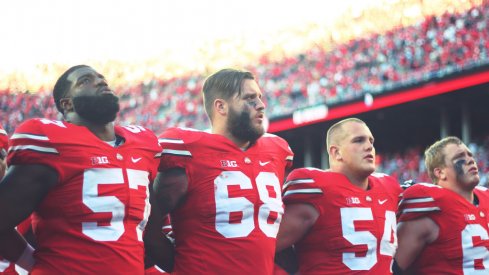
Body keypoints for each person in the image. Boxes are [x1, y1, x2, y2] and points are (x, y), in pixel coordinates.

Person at [0, 65, 170, 274]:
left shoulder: (143, 144)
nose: (100, 81)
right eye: (85, 81)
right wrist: (31, 262)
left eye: (102, 78)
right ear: (67, 104)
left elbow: (152, 236)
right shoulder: (51, 142)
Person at [147, 68, 294, 274]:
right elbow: (148, 224)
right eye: (249, 98)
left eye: (259, 97)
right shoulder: (188, 151)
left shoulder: (276, 151)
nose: (261, 105)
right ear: (221, 106)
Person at [276, 117, 402, 274]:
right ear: (336, 152)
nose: (369, 146)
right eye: (358, 140)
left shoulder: (390, 188)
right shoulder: (316, 188)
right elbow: (268, 247)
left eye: (371, 141)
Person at [395, 136, 489, 274]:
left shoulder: (486, 197)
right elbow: (391, 268)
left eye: (470, 155)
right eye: (460, 157)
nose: (470, 160)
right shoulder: (430, 204)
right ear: (440, 172)